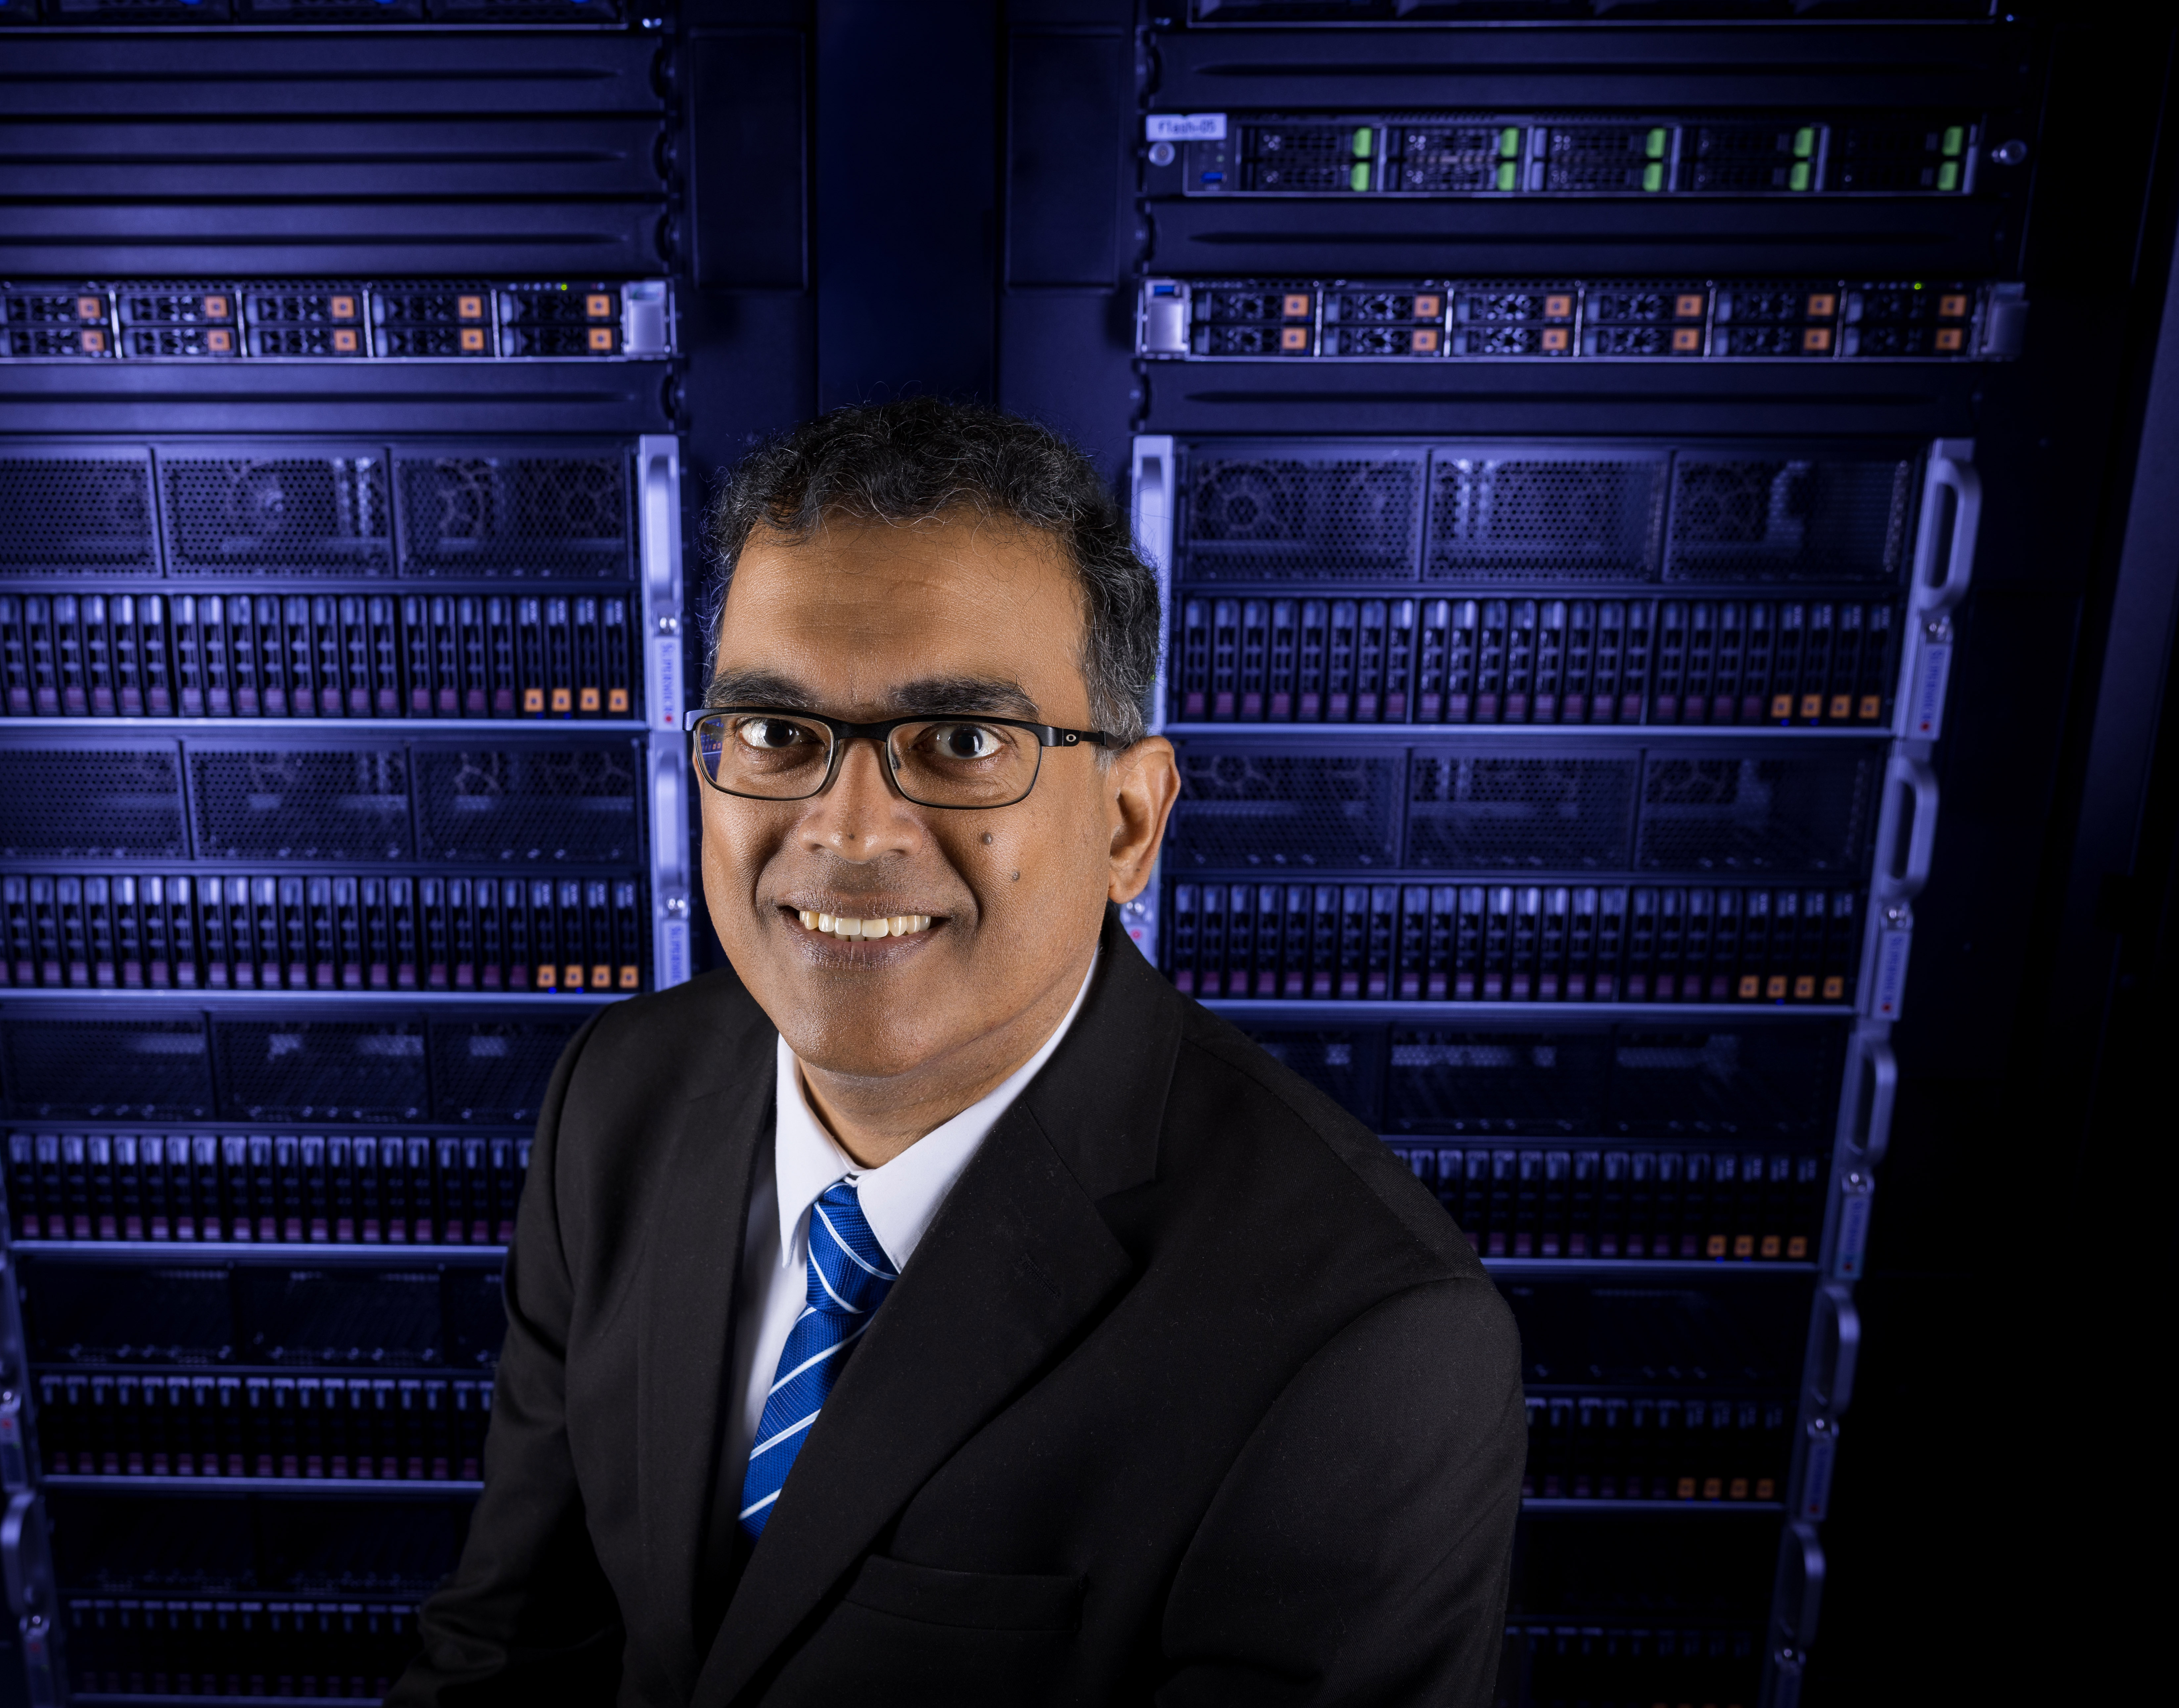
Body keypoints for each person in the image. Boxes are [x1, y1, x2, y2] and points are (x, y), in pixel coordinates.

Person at [387, 400, 1522, 1708]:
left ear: (1128, 822)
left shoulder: (1368, 1350)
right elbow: (512, 1646)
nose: (848, 829)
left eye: (963, 743)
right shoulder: (616, 1099)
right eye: (772, 731)